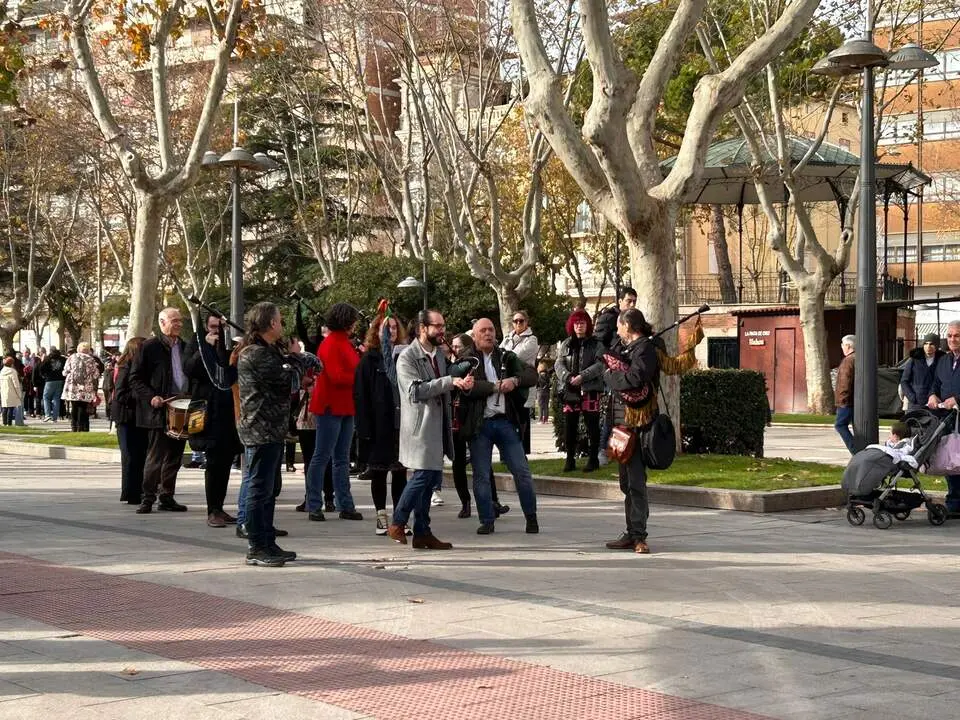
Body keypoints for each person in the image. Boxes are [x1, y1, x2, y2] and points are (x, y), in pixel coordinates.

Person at [387, 310, 470, 549]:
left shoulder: (439, 356)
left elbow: (442, 387)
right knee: (423, 475)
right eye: (438, 326)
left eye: (443, 325)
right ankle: (398, 521)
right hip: (419, 427)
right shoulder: (407, 357)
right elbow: (415, 391)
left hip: (438, 425)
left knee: (431, 477)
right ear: (423, 328)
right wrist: (449, 382)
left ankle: (422, 531)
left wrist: (460, 384)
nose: (442, 330)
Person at [459, 317, 539, 535]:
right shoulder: (466, 359)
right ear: (474, 336)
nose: (488, 334)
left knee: (521, 471)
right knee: (481, 474)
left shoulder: (506, 356)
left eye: (491, 330)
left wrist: (515, 381)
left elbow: (532, 374)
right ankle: (487, 519)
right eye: (483, 331)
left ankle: (531, 517)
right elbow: (466, 386)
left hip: (504, 422)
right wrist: (494, 387)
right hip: (479, 425)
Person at [235, 302, 297, 567]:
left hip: (271, 428)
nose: (282, 326)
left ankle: (268, 540)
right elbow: (285, 381)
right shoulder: (256, 354)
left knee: (268, 489)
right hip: (260, 430)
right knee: (259, 489)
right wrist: (295, 359)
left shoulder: (268, 351)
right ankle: (256, 546)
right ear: (271, 324)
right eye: (280, 321)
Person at [603, 308, 660, 554]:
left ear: (628, 325)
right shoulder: (626, 348)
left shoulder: (645, 349)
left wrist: (610, 377)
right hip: (621, 425)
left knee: (636, 481)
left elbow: (636, 377)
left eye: (619, 325)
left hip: (638, 424)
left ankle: (639, 536)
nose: (617, 330)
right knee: (626, 481)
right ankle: (631, 531)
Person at [183, 312, 242, 529]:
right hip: (206, 409)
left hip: (227, 410)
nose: (216, 331)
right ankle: (212, 509)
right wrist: (204, 348)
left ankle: (219, 507)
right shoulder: (197, 343)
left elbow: (231, 372)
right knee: (214, 462)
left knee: (225, 460)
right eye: (212, 326)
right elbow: (189, 369)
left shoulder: (226, 345)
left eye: (220, 327)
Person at [129, 307, 190, 514]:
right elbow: (135, 378)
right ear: (162, 323)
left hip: (182, 407)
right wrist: (151, 397)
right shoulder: (149, 347)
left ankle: (167, 496)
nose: (178, 324)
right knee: (156, 456)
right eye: (174, 320)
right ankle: (147, 498)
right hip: (159, 408)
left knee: (175, 455)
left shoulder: (185, 346)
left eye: (180, 321)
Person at [306, 303, 363, 521]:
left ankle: (344, 504)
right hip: (332, 405)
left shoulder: (340, 343)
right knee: (323, 456)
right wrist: (359, 379)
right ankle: (315, 504)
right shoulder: (332, 344)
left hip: (344, 405)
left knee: (340, 458)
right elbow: (337, 376)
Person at [355, 310, 409, 535]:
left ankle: (399, 518)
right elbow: (361, 395)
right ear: (376, 332)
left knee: (399, 473)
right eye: (386, 328)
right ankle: (381, 516)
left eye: (394, 328)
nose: (391, 332)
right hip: (378, 425)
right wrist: (364, 428)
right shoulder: (369, 359)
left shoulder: (404, 356)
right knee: (378, 473)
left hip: (401, 424)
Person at [555, 308, 606, 472]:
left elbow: (600, 365)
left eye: (582, 323)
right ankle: (570, 459)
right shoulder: (566, 344)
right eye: (576, 323)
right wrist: (568, 376)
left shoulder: (597, 344)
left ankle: (593, 459)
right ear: (572, 325)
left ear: (588, 325)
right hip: (570, 391)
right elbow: (558, 364)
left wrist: (583, 377)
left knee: (592, 426)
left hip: (590, 390)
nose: (579, 326)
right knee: (570, 426)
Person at [927, 320, 960, 516]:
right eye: (949, 336)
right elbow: (936, 383)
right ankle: (954, 502)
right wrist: (932, 394)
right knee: (951, 460)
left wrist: (956, 399)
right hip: (947, 419)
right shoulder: (944, 360)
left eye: (957, 335)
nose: (952, 339)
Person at [112, 337, 148, 505]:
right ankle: (130, 492)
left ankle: (138, 489)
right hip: (125, 417)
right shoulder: (125, 367)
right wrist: (141, 396)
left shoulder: (139, 368)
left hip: (138, 417)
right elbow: (120, 394)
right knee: (130, 456)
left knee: (140, 454)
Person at [501, 310, 539, 454]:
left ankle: (523, 450)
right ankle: (508, 451)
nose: (518, 323)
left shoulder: (532, 339)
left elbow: (518, 356)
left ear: (526, 322)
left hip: (523, 381)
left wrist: (507, 354)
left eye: (521, 321)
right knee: (509, 416)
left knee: (522, 416)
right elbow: (501, 354)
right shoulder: (508, 337)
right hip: (508, 381)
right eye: (515, 321)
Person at [61, 343, 102, 432]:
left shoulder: (71, 357)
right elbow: (96, 374)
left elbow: (65, 372)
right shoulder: (91, 359)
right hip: (85, 386)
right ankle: (82, 426)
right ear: (87, 350)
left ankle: (74, 426)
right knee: (83, 407)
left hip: (73, 386)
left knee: (74, 406)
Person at [901, 333, 945, 411]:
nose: (928, 347)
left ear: (937, 346)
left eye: (931, 344)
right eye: (926, 343)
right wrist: (912, 397)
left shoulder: (942, 361)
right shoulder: (914, 360)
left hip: (935, 404)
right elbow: (904, 381)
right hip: (915, 405)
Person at [835, 335, 856, 454]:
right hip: (854, 400)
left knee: (840, 425)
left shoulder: (848, 361)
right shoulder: (856, 358)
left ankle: (855, 451)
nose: (842, 347)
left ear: (848, 346)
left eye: (843, 345)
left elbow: (844, 382)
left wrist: (842, 400)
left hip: (847, 401)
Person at [39, 347, 65, 422]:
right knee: (56, 398)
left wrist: (44, 375)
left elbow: (41, 367)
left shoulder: (48, 359)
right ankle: (55, 417)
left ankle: (48, 415)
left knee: (46, 397)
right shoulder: (62, 359)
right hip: (60, 380)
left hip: (50, 380)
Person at [0, 356, 23, 425]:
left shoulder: (2, 371)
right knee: (10, 408)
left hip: (3, 391)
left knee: (4, 407)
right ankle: (9, 423)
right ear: (11, 364)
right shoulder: (12, 371)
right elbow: (16, 384)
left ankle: (4, 423)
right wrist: (19, 394)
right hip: (12, 392)